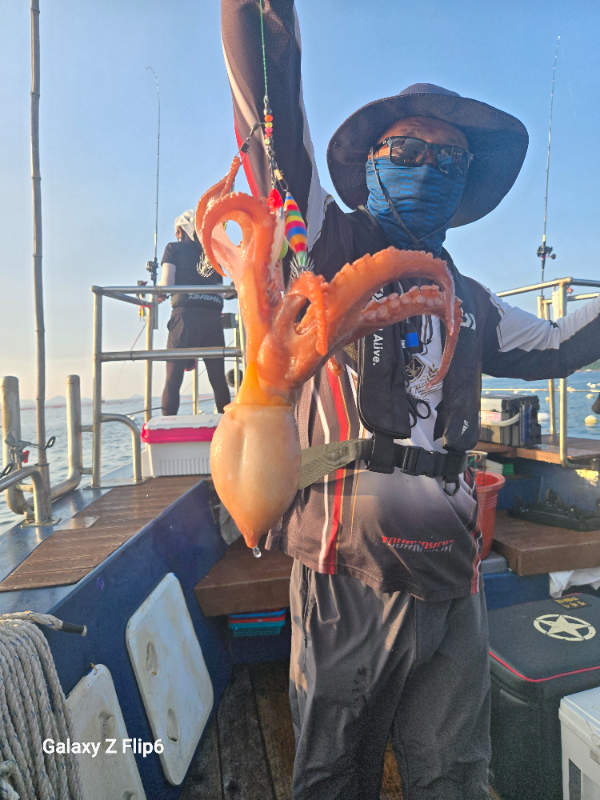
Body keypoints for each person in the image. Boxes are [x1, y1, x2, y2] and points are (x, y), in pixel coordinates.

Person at [222, 3, 600, 798]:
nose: (429, 166)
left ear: (463, 184)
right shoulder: (325, 246)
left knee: (456, 771)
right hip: (346, 568)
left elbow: (562, 345)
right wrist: (260, 19)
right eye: (408, 150)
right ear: (372, 164)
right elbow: (271, 134)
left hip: (453, 572)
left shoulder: (474, 300)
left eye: (449, 159)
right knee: (334, 774)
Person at [159, 210, 231, 416]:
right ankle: (226, 424)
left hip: (185, 318)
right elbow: (222, 291)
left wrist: (158, 294)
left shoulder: (173, 248)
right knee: (218, 378)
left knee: (173, 379)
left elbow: (167, 284)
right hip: (212, 320)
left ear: (182, 230)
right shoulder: (212, 254)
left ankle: (167, 424)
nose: (176, 235)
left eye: (177, 231)